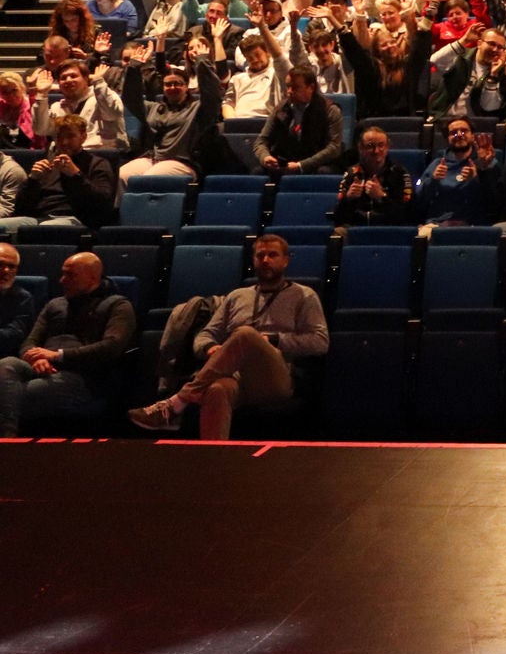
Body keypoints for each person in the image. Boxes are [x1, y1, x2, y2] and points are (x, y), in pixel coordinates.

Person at [127, 234, 329, 440]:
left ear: (285, 261)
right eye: (260, 255)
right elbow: (206, 334)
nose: (266, 260)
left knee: (245, 334)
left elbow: (320, 342)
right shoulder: (237, 296)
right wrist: (209, 348)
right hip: (235, 376)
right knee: (216, 390)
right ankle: (215, 460)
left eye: (272, 255)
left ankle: (177, 402)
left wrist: (273, 340)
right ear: (253, 260)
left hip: (275, 377)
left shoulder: (304, 296)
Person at [0, 251, 136, 436]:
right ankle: (7, 441)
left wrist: (58, 355)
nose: (62, 280)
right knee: (6, 363)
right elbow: (30, 341)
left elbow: (112, 347)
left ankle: (6, 442)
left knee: (14, 395)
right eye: (63, 274)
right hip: (41, 367)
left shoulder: (118, 306)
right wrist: (35, 358)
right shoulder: (55, 304)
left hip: (82, 376)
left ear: (92, 277)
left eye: (70, 275)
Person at [0, 115, 119, 230]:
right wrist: (33, 179)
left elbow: (103, 203)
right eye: (59, 137)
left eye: (70, 136)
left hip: (77, 219)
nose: (64, 142)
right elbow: (21, 208)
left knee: (44, 229)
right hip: (38, 218)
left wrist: (76, 175)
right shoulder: (48, 164)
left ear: (83, 137)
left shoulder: (97, 164)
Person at [119, 54, 223, 184]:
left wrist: (202, 61)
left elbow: (212, 93)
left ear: (186, 86)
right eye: (168, 84)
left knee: (148, 179)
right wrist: (134, 67)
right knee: (122, 175)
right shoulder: (154, 108)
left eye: (177, 84)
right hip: (153, 159)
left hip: (183, 162)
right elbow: (130, 99)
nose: (172, 88)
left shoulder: (199, 109)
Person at [254, 68, 346, 173]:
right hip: (286, 161)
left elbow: (334, 148)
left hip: (316, 163)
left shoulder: (329, 110)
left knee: (325, 172)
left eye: (295, 87)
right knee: (258, 172)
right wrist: (265, 157)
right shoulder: (280, 109)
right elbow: (261, 141)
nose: (289, 92)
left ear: (311, 87)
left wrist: (301, 165)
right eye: (288, 86)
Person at [32, 58, 128, 151]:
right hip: (66, 157)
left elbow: (112, 114)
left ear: (86, 79)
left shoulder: (104, 97)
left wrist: (98, 82)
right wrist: (42, 94)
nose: (68, 80)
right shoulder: (57, 107)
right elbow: (41, 130)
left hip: (102, 155)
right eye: (63, 78)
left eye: (73, 76)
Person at [417, 117, 499, 224]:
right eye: (453, 133)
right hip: (439, 224)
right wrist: (433, 180)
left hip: (474, 226)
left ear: (472, 136)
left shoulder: (487, 162)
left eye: (464, 131)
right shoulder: (436, 165)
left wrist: (480, 174)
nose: (459, 135)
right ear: (447, 138)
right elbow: (419, 202)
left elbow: (495, 203)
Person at [333, 125, 415, 227]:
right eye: (370, 146)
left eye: (381, 145)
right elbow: (337, 217)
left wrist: (382, 197)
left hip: (390, 230)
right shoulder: (352, 174)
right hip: (356, 230)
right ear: (360, 148)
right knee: (337, 234)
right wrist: (348, 198)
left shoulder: (400, 173)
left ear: (387, 147)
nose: (376, 151)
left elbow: (409, 215)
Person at [0, 245, 34, 363]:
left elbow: (15, 335)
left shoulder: (22, 298)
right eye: (0, 265)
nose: (6, 271)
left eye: (12, 266)